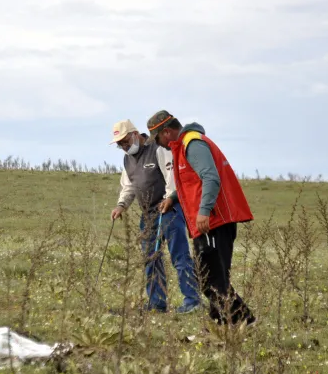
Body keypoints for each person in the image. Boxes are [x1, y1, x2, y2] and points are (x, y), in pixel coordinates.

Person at [146, 110, 256, 326]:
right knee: (211, 277)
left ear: (166, 132)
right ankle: (222, 325)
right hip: (207, 222)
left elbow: (210, 177)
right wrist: (174, 197)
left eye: (158, 139)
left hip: (213, 221)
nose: (159, 145)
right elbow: (191, 182)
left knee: (210, 278)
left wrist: (203, 211)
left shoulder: (193, 144)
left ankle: (243, 321)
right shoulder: (184, 147)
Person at [110, 119, 202, 314]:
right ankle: (157, 303)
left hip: (170, 209)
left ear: (135, 135)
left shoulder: (158, 148)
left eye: (125, 141)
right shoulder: (127, 160)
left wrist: (170, 199)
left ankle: (192, 300)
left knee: (180, 256)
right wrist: (121, 205)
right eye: (120, 145)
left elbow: (172, 177)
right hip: (148, 214)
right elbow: (129, 186)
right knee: (150, 257)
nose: (124, 147)